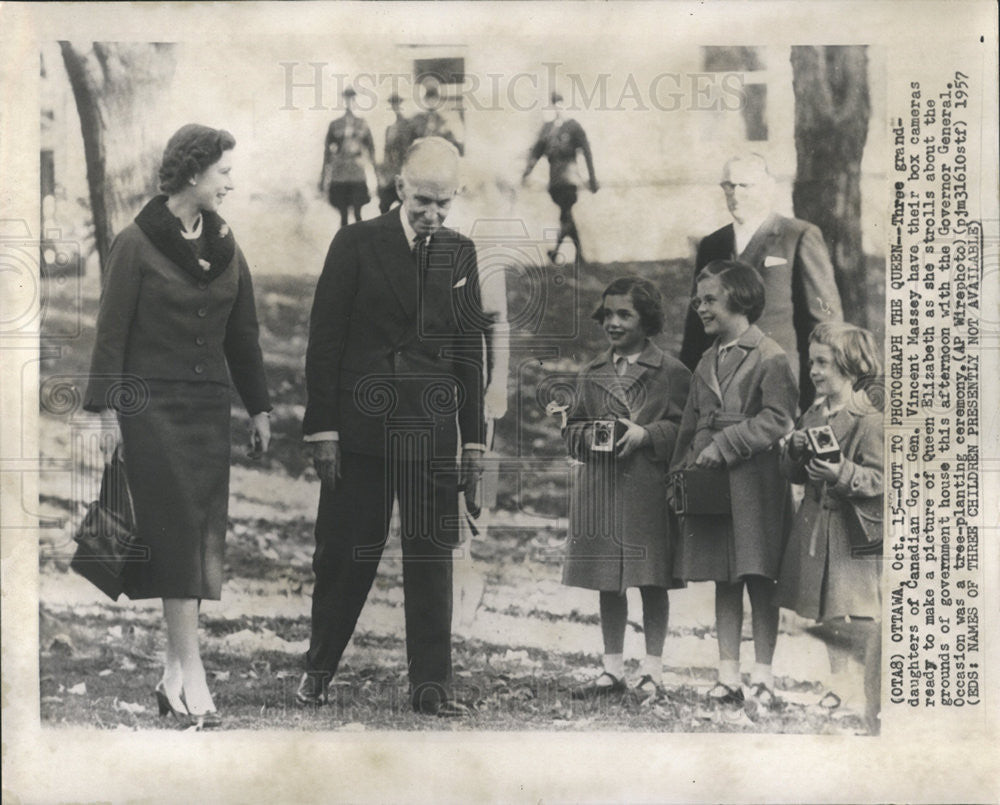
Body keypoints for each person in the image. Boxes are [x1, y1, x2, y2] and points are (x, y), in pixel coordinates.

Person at [84, 124, 272, 729]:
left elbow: (243, 335)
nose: (231, 182)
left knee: (200, 542)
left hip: (207, 413)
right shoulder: (134, 243)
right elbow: (110, 335)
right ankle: (194, 677)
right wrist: (108, 412)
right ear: (193, 173)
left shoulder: (225, 243)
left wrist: (261, 408)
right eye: (223, 172)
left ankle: (171, 676)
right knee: (176, 542)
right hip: (151, 414)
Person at [299, 137, 487, 717]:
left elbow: (467, 353)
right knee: (346, 556)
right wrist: (323, 430)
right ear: (400, 186)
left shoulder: (459, 252)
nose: (433, 214)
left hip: (431, 435)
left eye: (444, 203)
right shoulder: (355, 243)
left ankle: (431, 689)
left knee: (431, 560)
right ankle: (317, 671)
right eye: (423, 200)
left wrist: (474, 440)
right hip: (360, 433)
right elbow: (324, 340)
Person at [670, 260, 797, 709]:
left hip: (756, 482)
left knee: (759, 577)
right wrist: (680, 473)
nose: (699, 307)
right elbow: (689, 426)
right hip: (710, 482)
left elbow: (779, 418)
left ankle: (763, 676)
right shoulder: (706, 359)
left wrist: (725, 444)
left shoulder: (770, 355)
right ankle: (728, 675)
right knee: (725, 578)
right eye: (697, 299)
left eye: (710, 300)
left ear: (739, 300)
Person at [561, 277, 690, 703]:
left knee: (652, 579)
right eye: (608, 315)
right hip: (601, 486)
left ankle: (652, 670)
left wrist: (647, 434)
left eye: (625, 314)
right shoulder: (593, 372)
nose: (613, 323)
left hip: (648, 489)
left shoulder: (672, 372)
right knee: (607, 581)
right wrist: (586, 436)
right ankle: (611, 669)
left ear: (647, 320)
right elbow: (574, 428)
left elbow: (683, 430)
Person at [775, 322, 883, 732]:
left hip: (852, 532)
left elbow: (881, 479)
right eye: (811, 362)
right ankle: (841, 682)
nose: (814, 371)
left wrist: (842, 472)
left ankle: (865, 683)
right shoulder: (813, 413)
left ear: (850, 365)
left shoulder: (869, 419)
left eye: (823, 362)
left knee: (856, 610)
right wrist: (792, 452)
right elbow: (797, 477)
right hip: (817, 528)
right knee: (828, 607)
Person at [679, 153, 842, 409]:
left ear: (768, 188)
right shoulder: (713, 244)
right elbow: (695, 327)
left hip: (779, 380)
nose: (735, 194)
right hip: (720, 386)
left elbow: (824, 319)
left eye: (745, 185)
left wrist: (823, 389)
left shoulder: (797, 236)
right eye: (728, 185)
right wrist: (686, 389)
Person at [521, 92, 598, 263]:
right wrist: (525, 174)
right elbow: (535, 153)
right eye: (554, 104)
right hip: (555, 180)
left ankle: (558, 252)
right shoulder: (547, 129)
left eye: (560, 104)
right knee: (566, 215)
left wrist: (592, 179)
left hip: (570, 178)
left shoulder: (573, 127)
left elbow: (587, 152)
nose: (557, 108)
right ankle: (578, 256)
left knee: (566, 213)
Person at [319, 86, 376, 228]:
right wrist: (323, 177)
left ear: (356, 100)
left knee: (358, 213)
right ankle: (345, 245)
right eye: (347, 98)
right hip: (340, 174)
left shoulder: (362, 124)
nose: (349, 101)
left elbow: (371, 149)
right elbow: (327, 152)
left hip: (357, 173)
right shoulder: (335, 125)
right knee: (343, 214)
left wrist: (375, 174)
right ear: (343, 100)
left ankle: (361, 244)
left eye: (352, 98)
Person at [376, 93, 416, 214]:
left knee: (407, 208)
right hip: (391, 175)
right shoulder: (389, 128)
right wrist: (383, 172)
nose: (395, 107)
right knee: (384, 205)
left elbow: (412, 148)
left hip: (405, 173)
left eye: (397, 104)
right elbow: (386, 152)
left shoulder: (409, 125)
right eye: (393, 104)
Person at [410, 82, 464, 155]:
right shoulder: (418, 118)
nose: (432, 102)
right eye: (429, 99)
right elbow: (412, 138)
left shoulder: (442, 119)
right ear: (425, 100)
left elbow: (451, 138)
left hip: (438, 153)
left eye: (434, 99)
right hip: (422, 153)